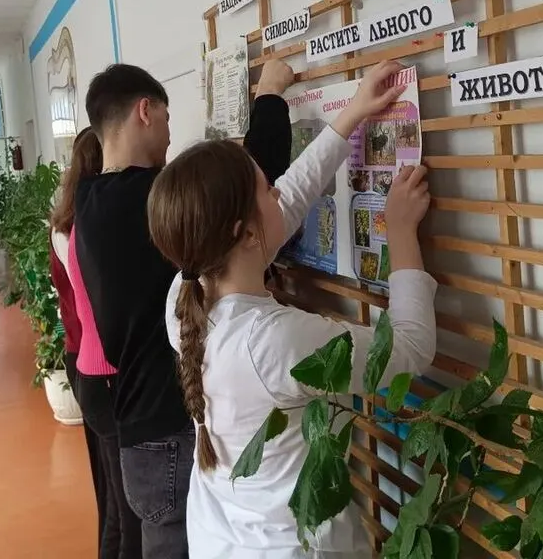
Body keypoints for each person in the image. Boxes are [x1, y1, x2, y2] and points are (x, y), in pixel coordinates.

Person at [148, 60, 438, 558]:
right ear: (245, 233)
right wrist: (401, 232)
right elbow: (409, 349)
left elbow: (288, 201)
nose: (278, 190)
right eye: (266, 187)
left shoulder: (187, 290)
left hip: (220, 539)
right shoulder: (274, 342)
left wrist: (353, 113)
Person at [74, 60, 295, 557]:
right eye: (168, 118)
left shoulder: (89, 200)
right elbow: (246, 179)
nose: (171, 132)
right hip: (166, 434)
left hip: (138, 426)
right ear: (145, 111)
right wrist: (270, 94)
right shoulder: (144, 199)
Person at [50, 128, 141, 558]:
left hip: (85, 359)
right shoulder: (82, 230)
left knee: (112, 498)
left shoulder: (69, 222)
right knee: (122, 508)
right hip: (97, 364)